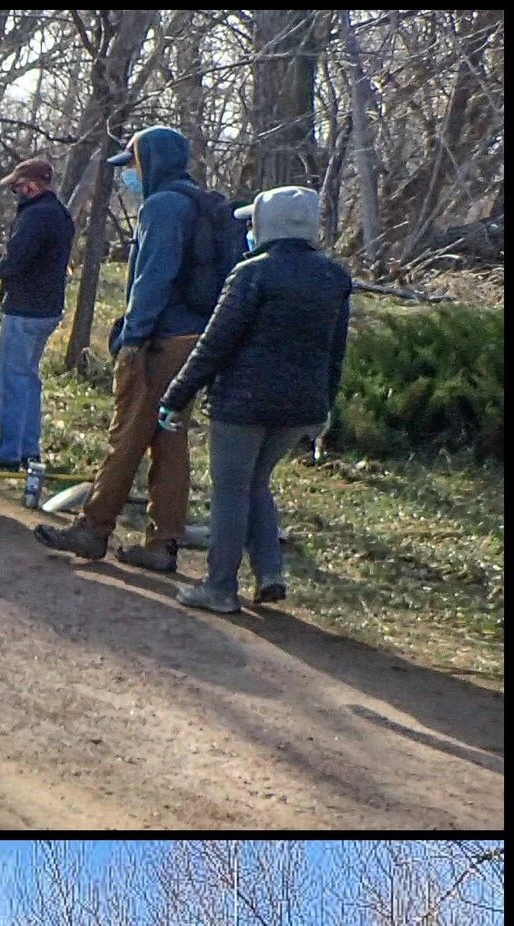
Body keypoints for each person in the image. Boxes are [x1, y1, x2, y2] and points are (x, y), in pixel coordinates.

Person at [37, 124, 233, 573]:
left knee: (127, 435)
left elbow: (152, 279)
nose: (129, 176)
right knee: (170, 440)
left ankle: (93, 528)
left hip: (159, 342)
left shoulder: (162, 207)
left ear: (149, 163)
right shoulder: (199, 204)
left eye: (131, 166)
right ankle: (163, 542)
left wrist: (131, 340)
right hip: (195, 341)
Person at [158, 185, 352, 615]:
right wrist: (325, 406)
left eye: (252, 222)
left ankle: (220, 587)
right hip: (300, 407)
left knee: (230, 491)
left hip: (243, 404)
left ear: (269, 223)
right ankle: (270, 573)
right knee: (256, 483)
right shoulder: (334, 278)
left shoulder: (252, 273)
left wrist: (176, 395)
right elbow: (334, 352)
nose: (248, 229)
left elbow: (216, 343)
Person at [0, 156, 75, 468]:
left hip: (25, 309)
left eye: (17, 187)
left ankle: (8, 451)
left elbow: (17, 262)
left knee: (10, 380)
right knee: (27, 379)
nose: (15, 192)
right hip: (48, 308)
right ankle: (28, 448)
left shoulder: (36, 216)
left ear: (31, 186)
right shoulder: (59, 214)